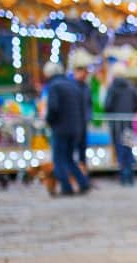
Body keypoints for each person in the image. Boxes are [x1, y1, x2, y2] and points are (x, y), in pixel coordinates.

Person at [43, 61, 90, 196]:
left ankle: (66, 187)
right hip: (76, 128)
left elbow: (53, 107)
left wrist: (49, 121)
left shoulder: (54, 86)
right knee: (69, 158)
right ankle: (83, 182)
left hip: (61, 128)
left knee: (59, 160)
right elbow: (82, 108)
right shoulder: (73, 85)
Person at [104, 64, 137, 186]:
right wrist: (131, 112)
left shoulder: (112, 88)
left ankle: (124, 177)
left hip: (116, 125)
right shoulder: (130, 87)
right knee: (128, 149)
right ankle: (130, 177)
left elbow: (107, 106)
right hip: (128, 124)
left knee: (120, 151)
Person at [70, 54, 93, 173]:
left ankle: (83, 173)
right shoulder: (72, 86)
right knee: (73, 149)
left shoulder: (86, 87)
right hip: (73, 123)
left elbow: (89, 103)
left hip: (82, 122)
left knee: (82, 150)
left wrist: (88, 116)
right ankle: (75, 173)